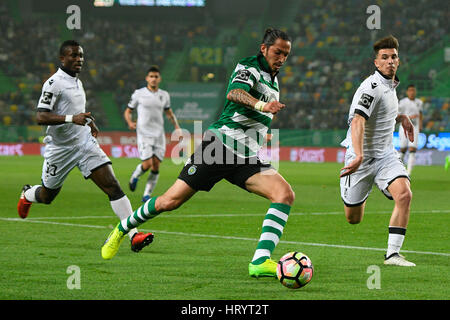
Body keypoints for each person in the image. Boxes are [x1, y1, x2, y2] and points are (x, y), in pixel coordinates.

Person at [102, 28, 294, 278]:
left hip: (247, 154)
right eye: (277, 52)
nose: (281, 58)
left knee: (284, 194)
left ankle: (259, 261)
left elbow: (255, 116)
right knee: (170, 201)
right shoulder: (249, 67)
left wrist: (261, 131)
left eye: (286, 54)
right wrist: (261, 104)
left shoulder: (273, 79)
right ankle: (121, 229)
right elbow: (234, 93)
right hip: (219, 147)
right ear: (263, 49)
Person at [17, 40, 154, 253]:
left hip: (84, 144)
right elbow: (40, 116)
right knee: (47, 196)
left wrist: (88, 121)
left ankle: (133, 236)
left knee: (113, 186)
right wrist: (73, 118)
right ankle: (27, 194)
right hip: (60, 149)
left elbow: (76, 109)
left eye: (80, 55)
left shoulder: (78, 82)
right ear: (62, 58)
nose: (78, 59)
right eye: (73, 56)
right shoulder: (53, 84)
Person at [339, 35, 416, 267]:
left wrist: (401, 117)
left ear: (398, 60)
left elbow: (382, 114)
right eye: (384, 57)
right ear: (376, 63)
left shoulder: (391, 86)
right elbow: (358, 121)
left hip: (385, 156)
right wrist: (359, 155)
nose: (390, 61)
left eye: (393, 57)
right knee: (353, 219)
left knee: (404, 194)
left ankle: (392, 254)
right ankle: (365, 187)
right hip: (360, 159)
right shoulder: (371, 87)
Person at [124, 66, 181, 202]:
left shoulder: (164, 95)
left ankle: (146, 195)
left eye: (156, 77)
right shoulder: (139, 93)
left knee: (156, 165)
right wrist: (130, 122)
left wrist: (177, 127)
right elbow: (128, 111)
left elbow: (169, 113)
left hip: (159, 134)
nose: (153, 79)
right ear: (147, 78)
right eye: (151, 76)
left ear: (159, 79)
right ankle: (135, 175)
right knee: (147, 164)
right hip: (144, 133)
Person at [398, 84, 423, 175]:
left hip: (415, 128)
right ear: (407, 92)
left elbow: (420, 114)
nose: (412, 92)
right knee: (403, 149)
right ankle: (398, 171)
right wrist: (409, 117)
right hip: (404, 128)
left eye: (413, 90)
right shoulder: (403, 102)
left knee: (412, 150)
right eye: (410, 90)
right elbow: (398, 116)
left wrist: (420, 125)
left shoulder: (419, 102)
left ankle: (408, 173)